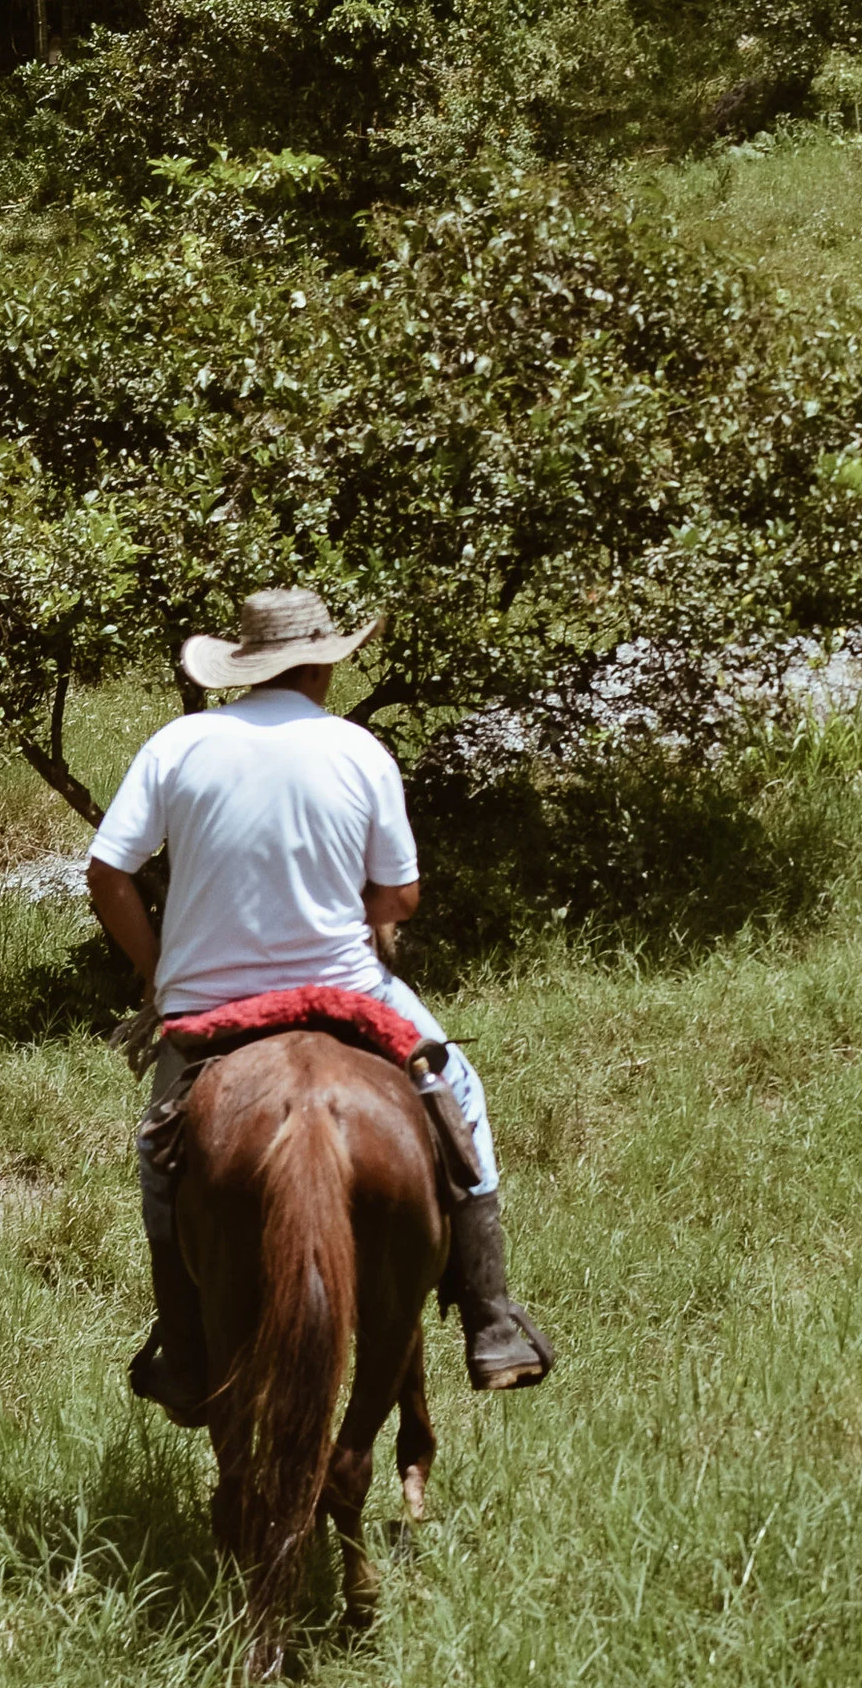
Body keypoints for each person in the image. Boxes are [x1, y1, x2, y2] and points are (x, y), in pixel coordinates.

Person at [85, 585, 552, 1424]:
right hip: (346, 992)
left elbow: (107, 873)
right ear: (321, 666)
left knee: (160, 1156)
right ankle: (490, 1317)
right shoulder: (358, 748)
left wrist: (156, 973)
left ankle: (185, 1343)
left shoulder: (180, 741)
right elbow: (401, 893)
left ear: (245, 667)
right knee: (461, 1094)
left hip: (208, 1008)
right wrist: (371, 914)